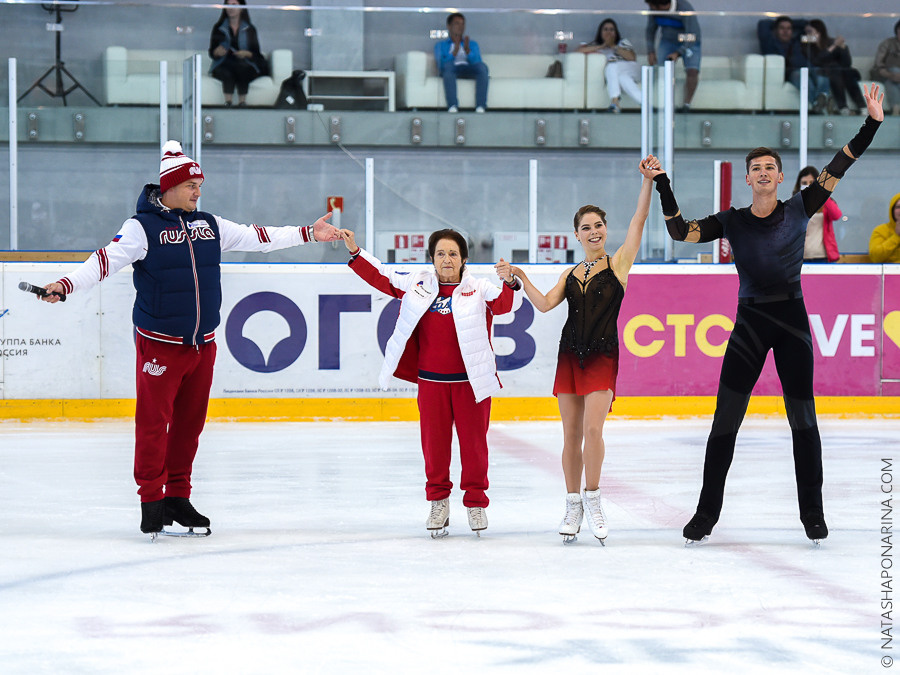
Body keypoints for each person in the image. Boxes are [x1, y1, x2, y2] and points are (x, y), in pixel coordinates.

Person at [39, 141, 342, 537]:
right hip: (160, 344)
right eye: (192, 185)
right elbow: (103, 261)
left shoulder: (209, 225)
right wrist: (65, 284)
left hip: (203, 345)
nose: (199, 191)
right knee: (153, 424)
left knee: (188, 426)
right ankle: (151, 500)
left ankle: (177, 498)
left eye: (200, 185)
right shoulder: (140, 227)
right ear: (170, 187)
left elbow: (259, 236)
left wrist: (308, 233)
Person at [654, 85, 884, 545]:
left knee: (804, 420)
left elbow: (841, 162)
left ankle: (813, 515)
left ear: (781, 178)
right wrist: (662, 182)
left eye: (769, 168)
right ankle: (706, 514)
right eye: (755, 168)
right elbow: (681, 231)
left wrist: (872, 123)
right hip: (750, 326)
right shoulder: (732, 220)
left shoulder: (803, 206)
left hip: (792, 323)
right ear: (748, 179)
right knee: (725, 421)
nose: (762, 173)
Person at [506, 155, 660, 544]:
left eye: (598, 226)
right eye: (585, 228)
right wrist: (521, 277)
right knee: (570, 435)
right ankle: (572, 502)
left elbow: (639, 222)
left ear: (606, 230)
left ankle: (593, 497)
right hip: (568, 355)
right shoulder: (569, 274)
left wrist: (647, 183)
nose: (593, 232)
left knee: (594, 429)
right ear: (576, 235)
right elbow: (543, 305)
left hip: (603, 355)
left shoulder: (619, 263)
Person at [340, 228, 519, 537]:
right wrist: (356, 251)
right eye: (440, 254)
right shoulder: (419, 283)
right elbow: (382, 276)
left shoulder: (478, 287)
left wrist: (509, 281)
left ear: (464, 259)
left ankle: (475, 503)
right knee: (434, 448)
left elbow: (504, 305)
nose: (446, 259)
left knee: (474, 447)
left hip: (471, 384)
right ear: (432, 259)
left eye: (452, 254)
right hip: (431, 383)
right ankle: (439, 502)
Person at [758, 16, 831, 113]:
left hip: (808, 68)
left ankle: (822, 96)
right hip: (789, 72)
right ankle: (817, 104)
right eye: (782, 28)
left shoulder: (798, 40)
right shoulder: (769, 42)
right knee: (802, 77)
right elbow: (763, 24)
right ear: (775, 30)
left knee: (820, 71)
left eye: (789, 28)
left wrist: (791, 22)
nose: (786, 31)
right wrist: (777, 22)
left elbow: (807, 23)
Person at [208, 0, 269, 107]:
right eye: (228, 5)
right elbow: (212, 52)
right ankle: (228, 103)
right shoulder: (218, 28)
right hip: (224, 63)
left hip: (244, 63)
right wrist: (217, 52)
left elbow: (257, 54)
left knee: (242, 68)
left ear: (241, 8)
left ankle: (242, 103)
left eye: (234, 5)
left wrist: (247, 54)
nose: (230, 8)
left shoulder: (250, 29)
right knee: (227, 70)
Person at [644, 0, 701, 112]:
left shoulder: (685, 8)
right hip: (668, 40)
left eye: (652, 6)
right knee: (662, 70)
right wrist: (650, 51)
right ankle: (664, 104)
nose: (651, 9)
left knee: (692, 71)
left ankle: (686, 105)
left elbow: (693, 35)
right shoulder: (654, 10)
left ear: (661, 5)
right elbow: (650, 30)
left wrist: (678, 52)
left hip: (689, 39)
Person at [802, 19, 866, 115]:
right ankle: (844, 107)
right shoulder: (806, 45)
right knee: (835, 70)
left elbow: (846, 63)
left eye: (810, 31)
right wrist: (833, 46)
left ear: (819, 31)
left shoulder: (831, 42)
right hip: (822, 71)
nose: (807, 34)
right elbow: (816, 61)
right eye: (806, 32)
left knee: (845, 72)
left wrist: (843, 48)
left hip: (841, 72)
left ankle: (861, 107)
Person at [578, 18, 642, 113]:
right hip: (619, 74)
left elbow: (632, 57)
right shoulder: (597, 46)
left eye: (612, 30)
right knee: (623, 78)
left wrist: (613, 46)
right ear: (600, 32)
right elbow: (579, 51)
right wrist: (602, 46)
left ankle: (615, 102)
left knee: (612, 66)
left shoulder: (623, 42)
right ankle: (645, 103)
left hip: (631, 68)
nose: (609, 32)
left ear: (616, 32)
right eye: (605, 29)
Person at [434, 12, 489, 113]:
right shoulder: (441, 45)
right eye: (457, 23)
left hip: (468, 69)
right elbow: (441, 65)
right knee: (448, 66)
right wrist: (454, 52)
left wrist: (468, 51)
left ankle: (481, 106)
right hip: (451, 70)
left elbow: (477, 62)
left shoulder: (472, 44)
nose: (460, 27)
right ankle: (452, 106)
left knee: (482, 67)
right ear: (449, 26)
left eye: (462, 24)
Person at [792, 166, 841, 262]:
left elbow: (837, 215)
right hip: (800, 257)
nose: (808, 186)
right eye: (804, 183)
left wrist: (822, 193)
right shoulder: (794, 205)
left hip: (822, 256)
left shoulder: (826, 204)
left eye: (812, 183)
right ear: (799, 185)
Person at [873, 19, 900, 116]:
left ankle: (896, 108)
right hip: (886, 73)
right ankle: (896, 108)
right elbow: (878, 64)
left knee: (893, 80)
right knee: (893, 75)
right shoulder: (888, 43)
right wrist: (891, 75)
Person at [868, 193, 900, 263]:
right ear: (892, 210)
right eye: (898, 207)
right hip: (889, 272)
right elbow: (875, 257)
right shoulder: (880, 230)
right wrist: (896, 236)